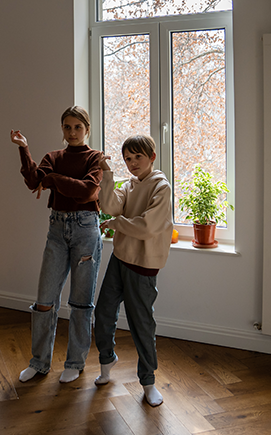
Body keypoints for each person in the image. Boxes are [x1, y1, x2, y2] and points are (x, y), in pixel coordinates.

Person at [10, 106, 103, 384]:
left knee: (81, 302)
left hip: (86, 229)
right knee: (44, 301)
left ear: (87, 128)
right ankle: (39, 362)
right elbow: (32, 181)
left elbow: (87, 190)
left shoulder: (96, 158)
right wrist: (24, 149)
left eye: (77, 127)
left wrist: (51, 180)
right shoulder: (54, 156)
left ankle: (75, 362)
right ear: (61, 129)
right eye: (67, 127)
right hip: (57, 229)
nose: (72, 132)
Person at [94, 135, 173, 406]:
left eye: (137, 157)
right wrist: (107, 174)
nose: (132, 163)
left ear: (152, 156)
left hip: (144, 266)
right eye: (128, 159)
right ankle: (106, 363)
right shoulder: (129, 185)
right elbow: (109, 206)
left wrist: (117, 224)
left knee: (142, 325)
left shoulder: (161, 186)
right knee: (103, 312)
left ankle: (148, 381)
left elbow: (148, 226)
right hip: (120, 259)